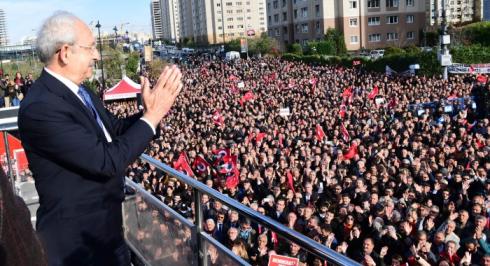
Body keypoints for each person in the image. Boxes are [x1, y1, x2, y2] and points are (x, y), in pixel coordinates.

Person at [18, 11, 182, 266]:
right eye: (90, 47)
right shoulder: (41, 108)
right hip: (77, 247)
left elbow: (113, 129)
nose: (96, 55)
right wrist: (151, 117)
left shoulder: (79, 91)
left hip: (107, 233)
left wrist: (149, 113)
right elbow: (107, 161)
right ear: (65, 53)